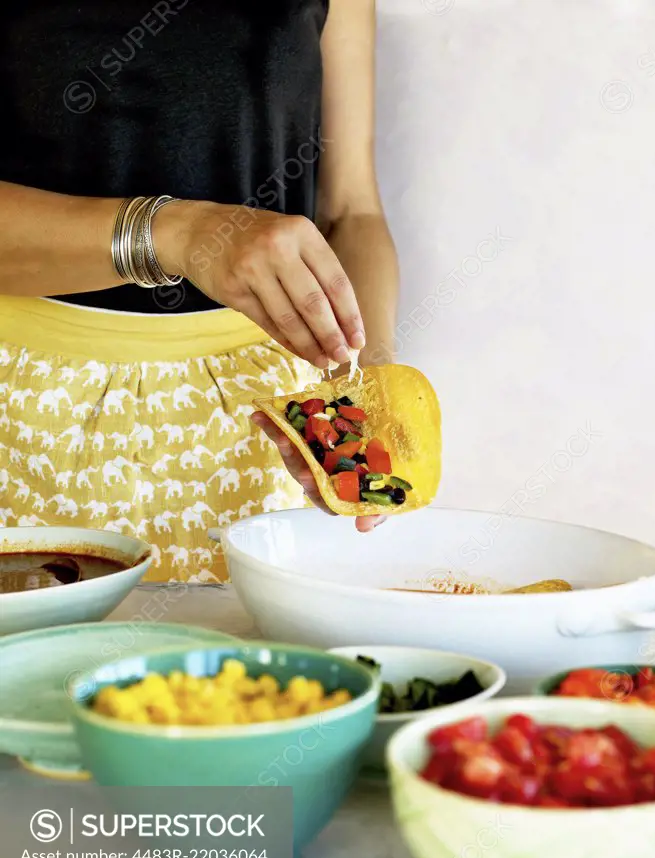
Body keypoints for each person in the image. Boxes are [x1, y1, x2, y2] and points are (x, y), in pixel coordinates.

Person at [0, 0, 399, 582]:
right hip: (21, 411)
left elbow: (351, 211)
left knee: (247, 668)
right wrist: (180, 232)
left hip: (262, 423)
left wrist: (363, 390)